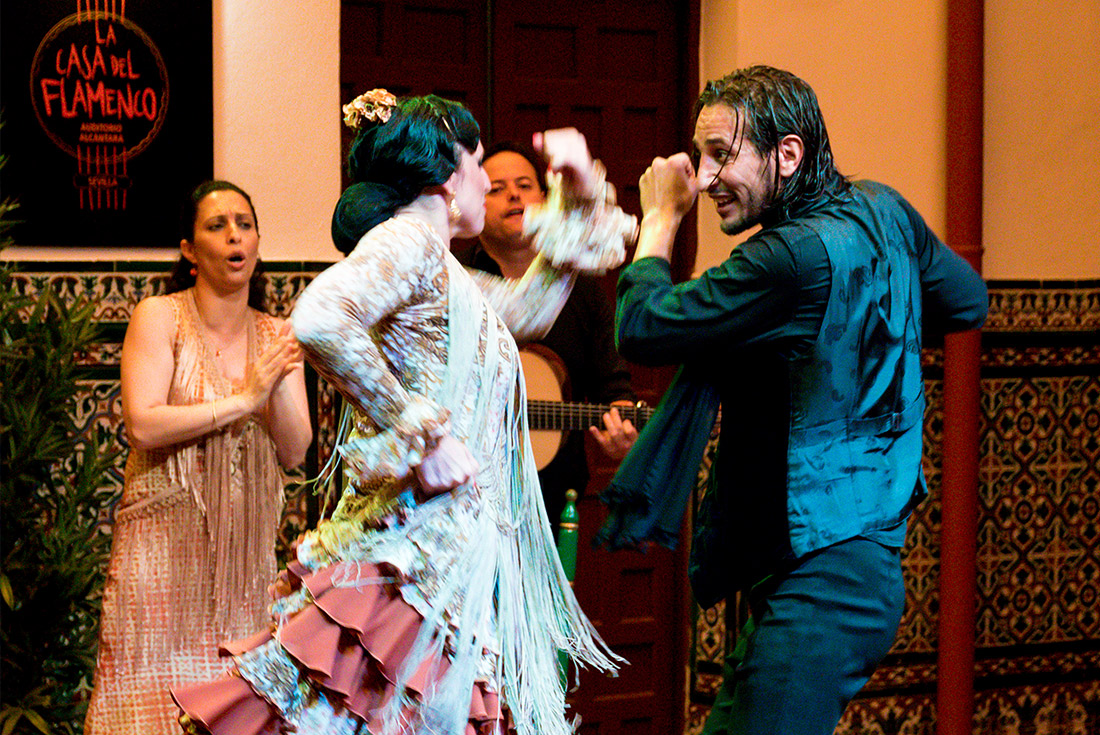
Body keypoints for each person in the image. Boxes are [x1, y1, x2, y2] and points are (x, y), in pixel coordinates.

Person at [171, 91, 633, 735]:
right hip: (411, 559)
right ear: (449, 179)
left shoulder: (445, 270)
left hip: (443, 561)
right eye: (478, 167)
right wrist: (420, 431)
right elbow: (321, 316)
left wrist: (579, 194)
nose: (484, 183)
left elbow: (531, 310)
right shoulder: (410, 242)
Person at [597, 66, 988, 735]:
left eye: (722, 154)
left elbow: (644, 324)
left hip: (824, 585)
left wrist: (660, 217)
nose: (706, 176)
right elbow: (965, 298)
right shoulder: (883, 209)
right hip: (836, 568)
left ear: (787, 154)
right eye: (701, 156)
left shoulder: (787, 257)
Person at [84, 181, 312, 735]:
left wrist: (275, 374)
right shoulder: (160, 317)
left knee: (234, 711)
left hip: (241, 571)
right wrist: (242, 400)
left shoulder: (275, 333)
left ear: (257, 244)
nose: (235, 235)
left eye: (244, 223)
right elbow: (143, 423)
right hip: (159, 562)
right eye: (217, 225)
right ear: (189, 249)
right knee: (146, 712)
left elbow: (295, 449)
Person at [461, 140, 638, 527]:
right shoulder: (456, 284)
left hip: (555, 498)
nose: (513, 195)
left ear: (545, 198)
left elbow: (614, 387)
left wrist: (623, 433)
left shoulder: (585, 289)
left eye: (525, 185)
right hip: (467, 497)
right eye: (495, 188)